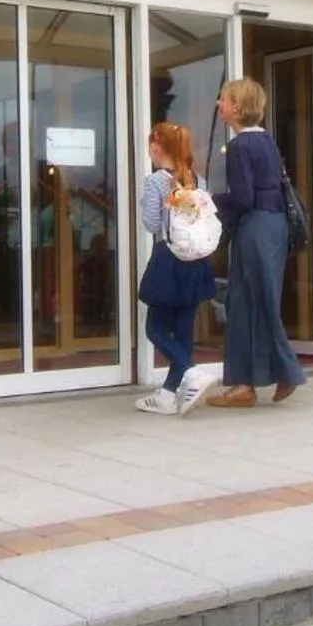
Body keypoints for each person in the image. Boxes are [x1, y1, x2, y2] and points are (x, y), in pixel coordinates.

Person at [206, 78, 306, 407]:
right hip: (272, 227)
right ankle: (246, 383)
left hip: (256, 228)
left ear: (237, 107)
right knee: (253, 301)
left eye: (223, 99)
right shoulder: (266, 141)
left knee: (249, 301)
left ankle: (278, 374)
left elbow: (244, 198)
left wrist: (207, 200)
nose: (219, 104)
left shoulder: (239, 147)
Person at [134, 123, 218, 416]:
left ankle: (191, 373)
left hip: (168, 260)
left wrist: (149, 202)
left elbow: (152, 225)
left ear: (156, 148)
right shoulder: (199, 180)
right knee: (183, 327)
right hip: (196, 260)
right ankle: (169, 395)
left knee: (154, 327)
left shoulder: (156, 181)